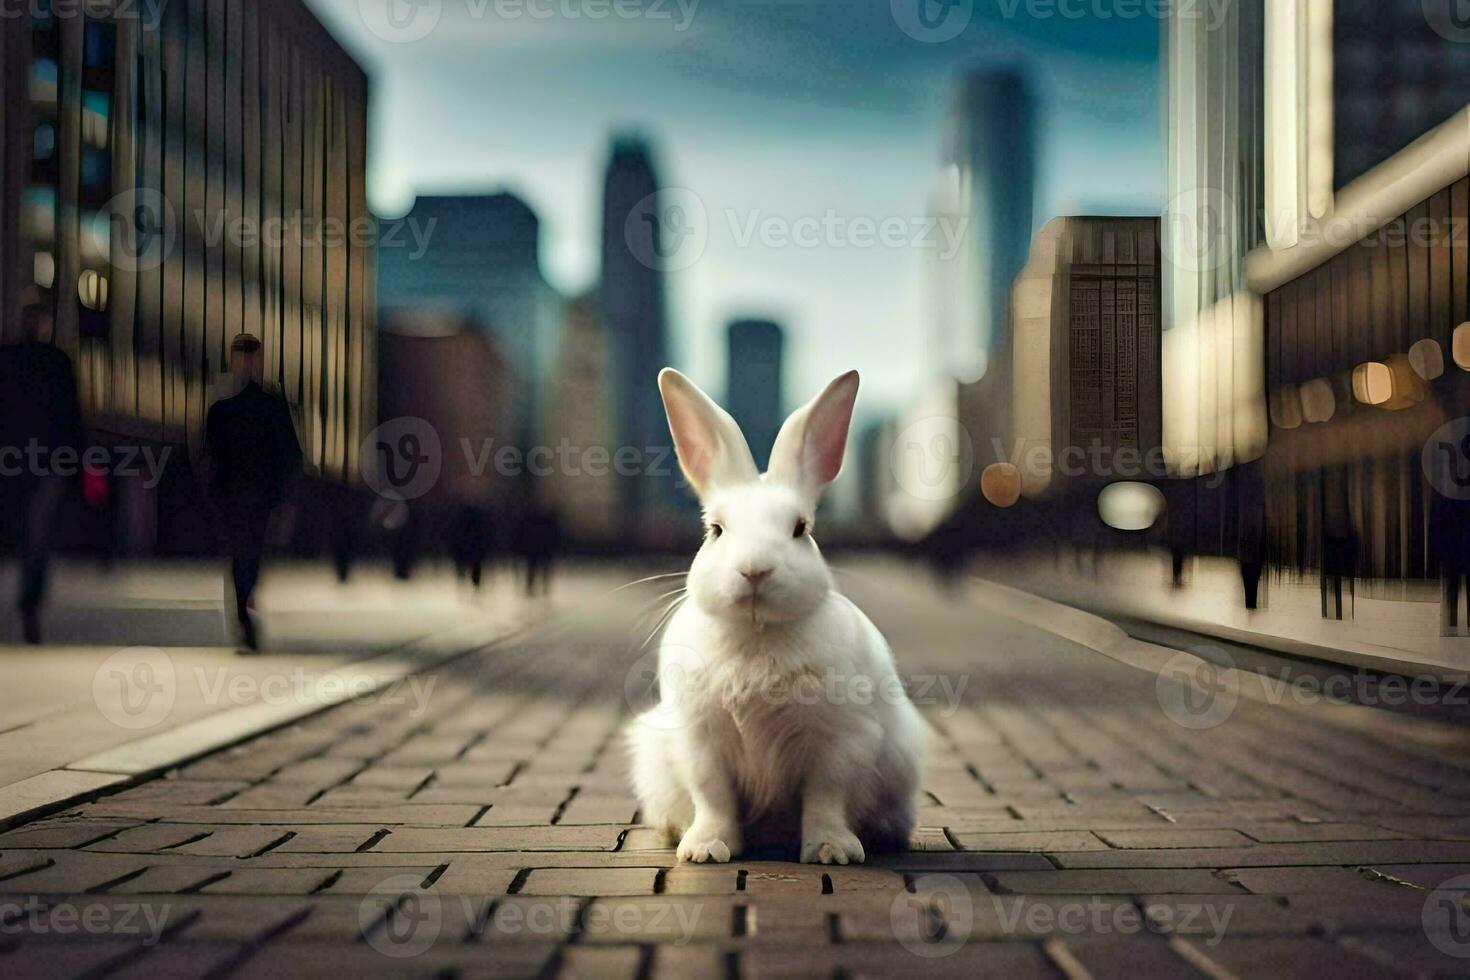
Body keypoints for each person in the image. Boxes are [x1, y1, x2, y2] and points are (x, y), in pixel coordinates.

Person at [204, 334, 302, 651]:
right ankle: (243, 612)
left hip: (256, 497)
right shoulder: (227, 408)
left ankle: (243, 610)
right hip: (237, 497)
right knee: (243, 557)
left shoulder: (258, 407)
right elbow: (209, 457)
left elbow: (289, 456)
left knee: (247, 556)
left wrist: (284, 499)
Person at [0, 305, 82, 644]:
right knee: (36, 534)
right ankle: (29, 603)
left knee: (27, 530)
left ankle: (29, 602)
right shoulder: (57, 363)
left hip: (16, 461)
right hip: (45, 461)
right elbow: (71, 416)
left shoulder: (8, 361)